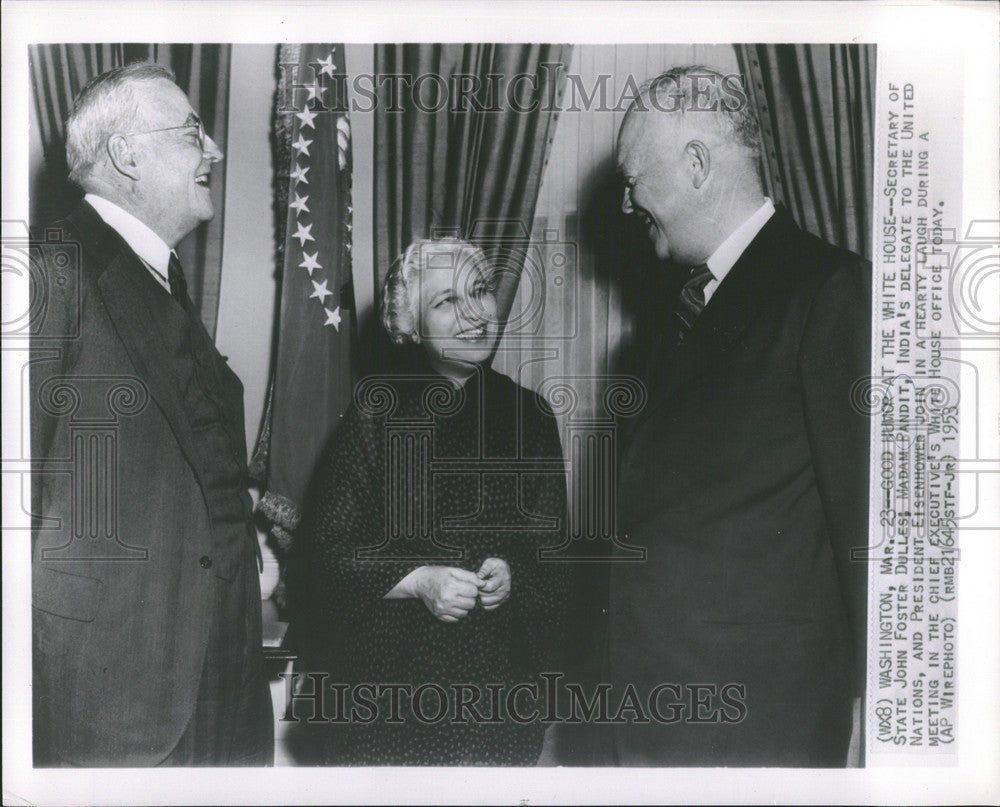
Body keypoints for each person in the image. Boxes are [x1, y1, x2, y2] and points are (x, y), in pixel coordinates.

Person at [606, 66, 871, 766]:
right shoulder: (672, 321)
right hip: (660, 718)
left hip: (761, 728)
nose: (628, 203)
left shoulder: (830, 290)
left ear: (696, 165)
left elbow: (870, 526)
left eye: (634, 179)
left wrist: (875, 703)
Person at [31, 62, 273, 766]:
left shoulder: (162, 279)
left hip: (219, 684)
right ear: (126, 154)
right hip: (119, 701)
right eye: (194, 131)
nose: (216, 151)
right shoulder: (50, 272)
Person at [287, 238, 570, 765]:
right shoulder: (377, 413)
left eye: (479, 291)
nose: (472, 313)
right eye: (445, 302)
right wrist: (419, 581)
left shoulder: (530, 416)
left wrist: (514, 572)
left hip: (500, 698)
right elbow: (322, 555)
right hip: (390, 693)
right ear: (411, 326)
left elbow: (552, 551)